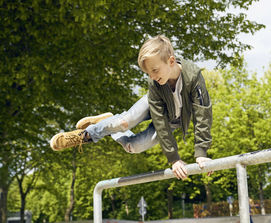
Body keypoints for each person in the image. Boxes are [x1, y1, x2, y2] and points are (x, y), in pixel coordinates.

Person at [50, 35, 212, 179]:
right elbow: (159, 120)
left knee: (133, 147)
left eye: (155, 70)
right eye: (149, 73)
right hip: (153, 106)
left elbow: (202, 116)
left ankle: (108, 120)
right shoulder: (155, 83)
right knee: (124, 122)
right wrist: (174, 159)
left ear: (171, 61)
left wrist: (201, 153)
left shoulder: (193, 78)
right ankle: (86, 135)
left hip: (173, 120)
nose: (153, 77)